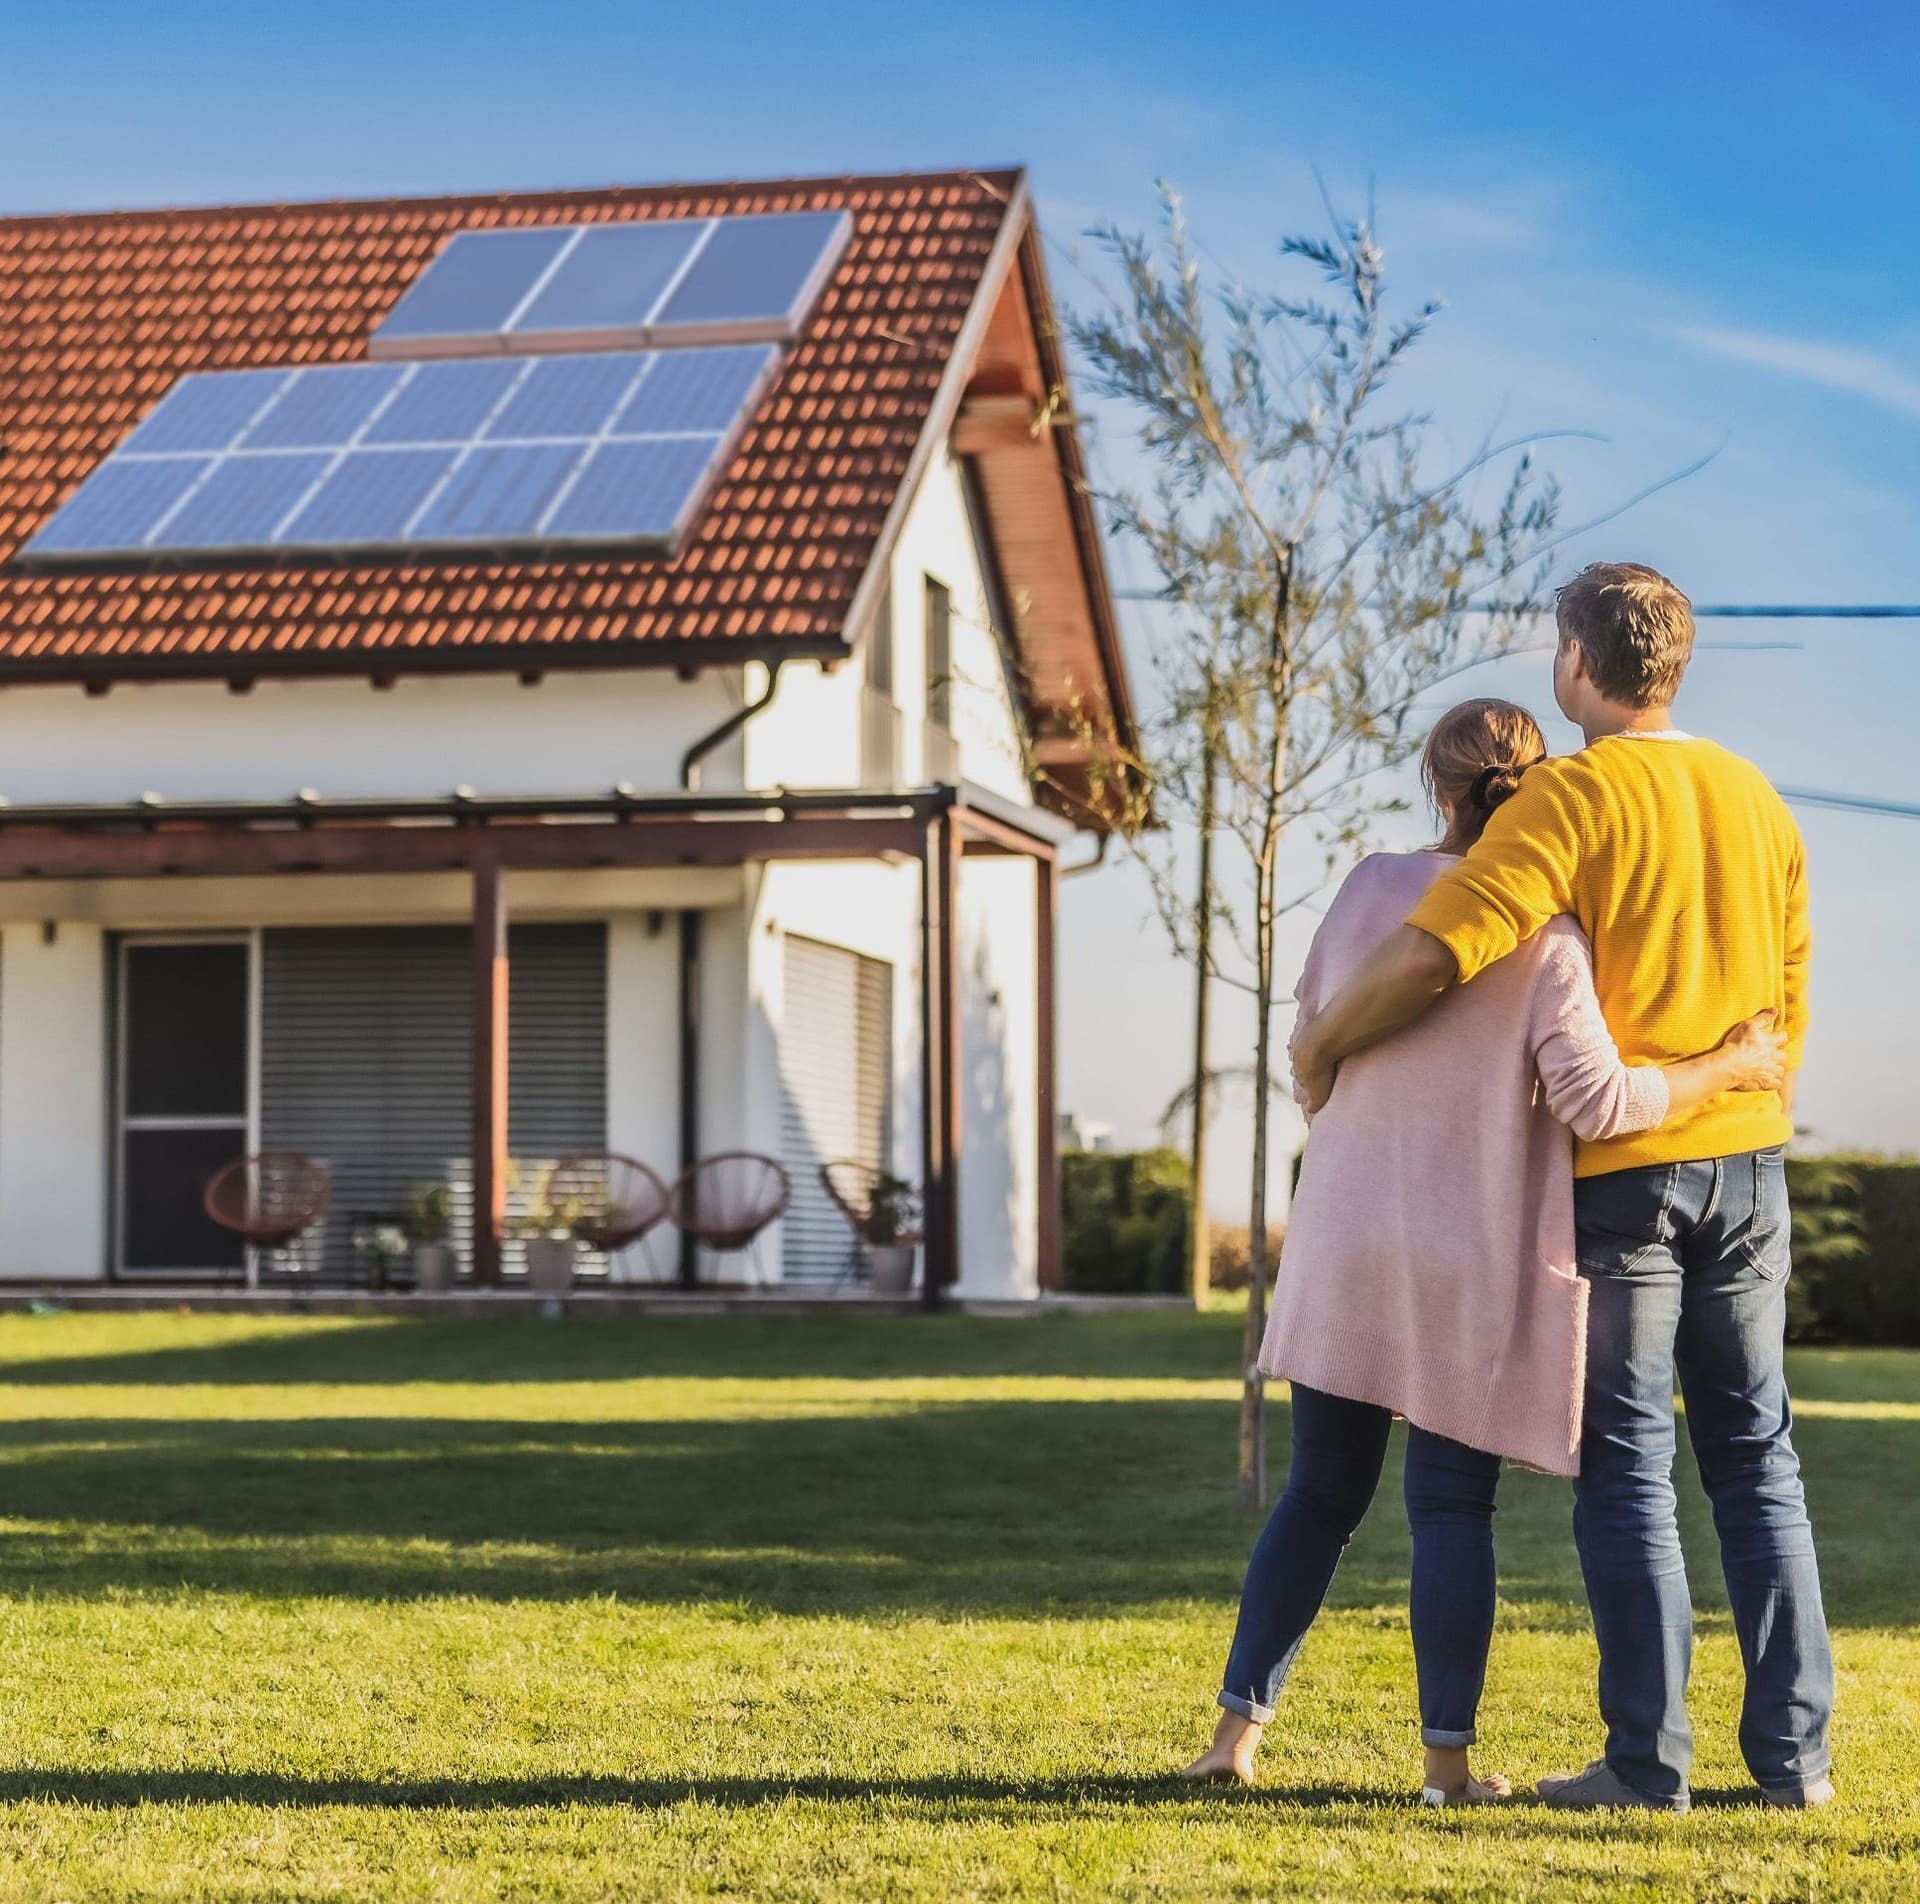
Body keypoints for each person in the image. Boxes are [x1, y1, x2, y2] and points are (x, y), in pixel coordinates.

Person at [1291, 562, 1834, 1813]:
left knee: (1632, 1467)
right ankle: (1795, 1763)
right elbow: (1787, 1006)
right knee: (1760, 1458)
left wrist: (1322, 1047)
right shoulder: (1758, 799)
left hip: (1629, 1176)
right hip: (1751, 1163)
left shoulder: (1571, 796)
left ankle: (1649, 1764)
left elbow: (1438, 950)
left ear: (1579, 663)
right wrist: (1741, 1091)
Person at [1182, 697, 1785, 1806]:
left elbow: (1312, 1040)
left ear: (1437, 785)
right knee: (1450, 1508)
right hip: (1467, 1256)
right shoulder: (1548, 935)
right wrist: (1727, 1067)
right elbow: (1600, 1103)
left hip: (1347, 1235)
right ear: (1540, 790)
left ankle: (1232, 1739)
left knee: (1317, 1491)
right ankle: (1445, 1769)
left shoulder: (1365, 889)